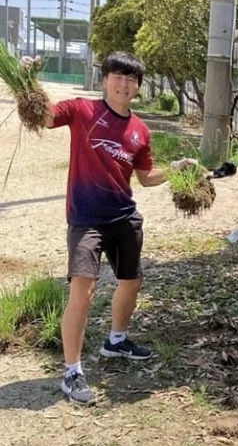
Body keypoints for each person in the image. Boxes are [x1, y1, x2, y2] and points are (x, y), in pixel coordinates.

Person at [46, 51, 195, 404]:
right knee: (82, 291)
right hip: (86, 219)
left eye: (131, 79)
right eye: (118, 76)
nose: (124, 84)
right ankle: (72, 372)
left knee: (131, 281)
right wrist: (26, 86)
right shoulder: (82, 111)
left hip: (123, 216)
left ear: (138, 87)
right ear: (105, 80)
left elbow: (145, 177)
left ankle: (116, 340)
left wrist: (177, 169)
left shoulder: (139, 130)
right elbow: (41, 115)